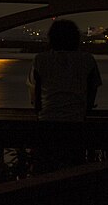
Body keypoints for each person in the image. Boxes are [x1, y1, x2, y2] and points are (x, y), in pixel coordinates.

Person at [28, 19, 102, 171]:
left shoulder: (40, 59)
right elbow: (93, 88)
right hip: (75, 124)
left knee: (45, 169)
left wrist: (39, 110)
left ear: (51, 38)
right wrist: (85, 110)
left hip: (47, 124)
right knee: (73, 167)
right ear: (76, 38)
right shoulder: (87, 59)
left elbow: (35, 92)